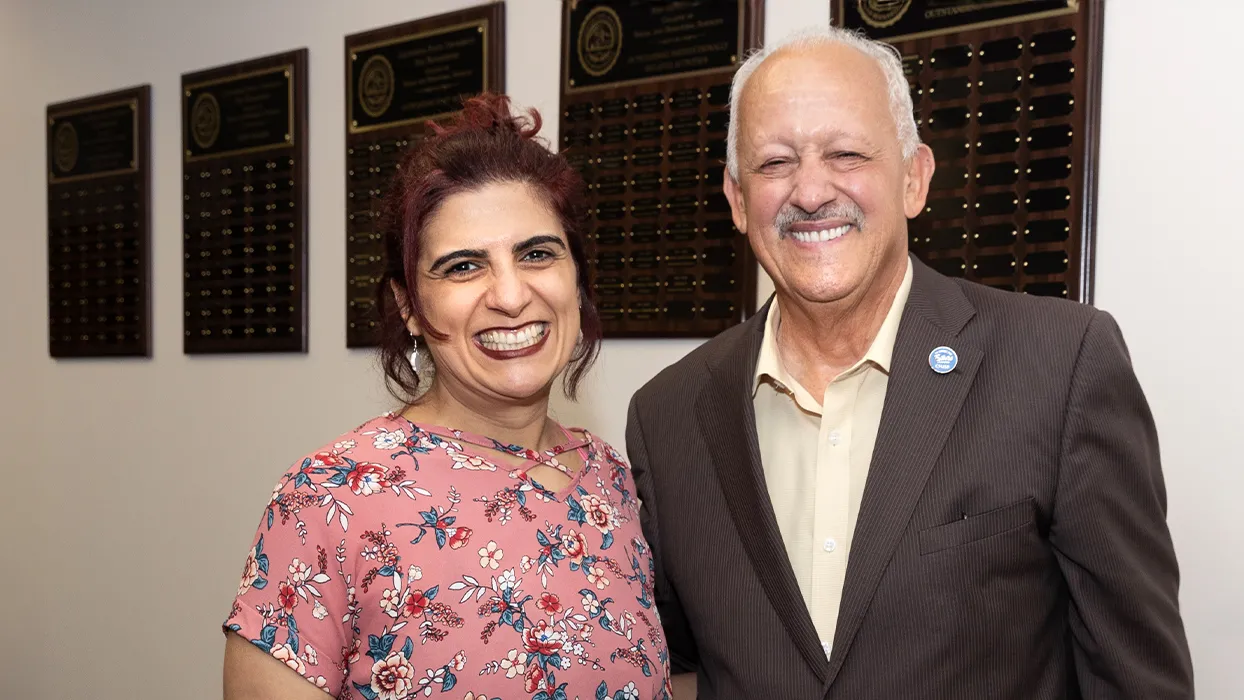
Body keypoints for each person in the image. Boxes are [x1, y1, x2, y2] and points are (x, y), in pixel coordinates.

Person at [625, 26, 1194, 699]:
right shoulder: (666, 419)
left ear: (914, 179)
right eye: (775, 163)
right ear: (737, 199)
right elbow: (683, 668)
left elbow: (1137, 678)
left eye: (846, 153)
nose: (810, 192)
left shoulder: (1059, 365)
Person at [223, 93, 672, 700]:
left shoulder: (614, 484)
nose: (510, 295)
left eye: (537, 254)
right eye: (463, 267)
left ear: (577, 279)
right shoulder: (332, 498)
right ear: (409, 306)